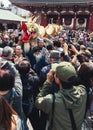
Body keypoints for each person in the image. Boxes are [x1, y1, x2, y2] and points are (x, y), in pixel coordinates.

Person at [35, 62, 87, 130]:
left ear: (57, 79)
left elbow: (37, 102)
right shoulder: (83, 92)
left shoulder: (51, 100)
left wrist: (48, 82)